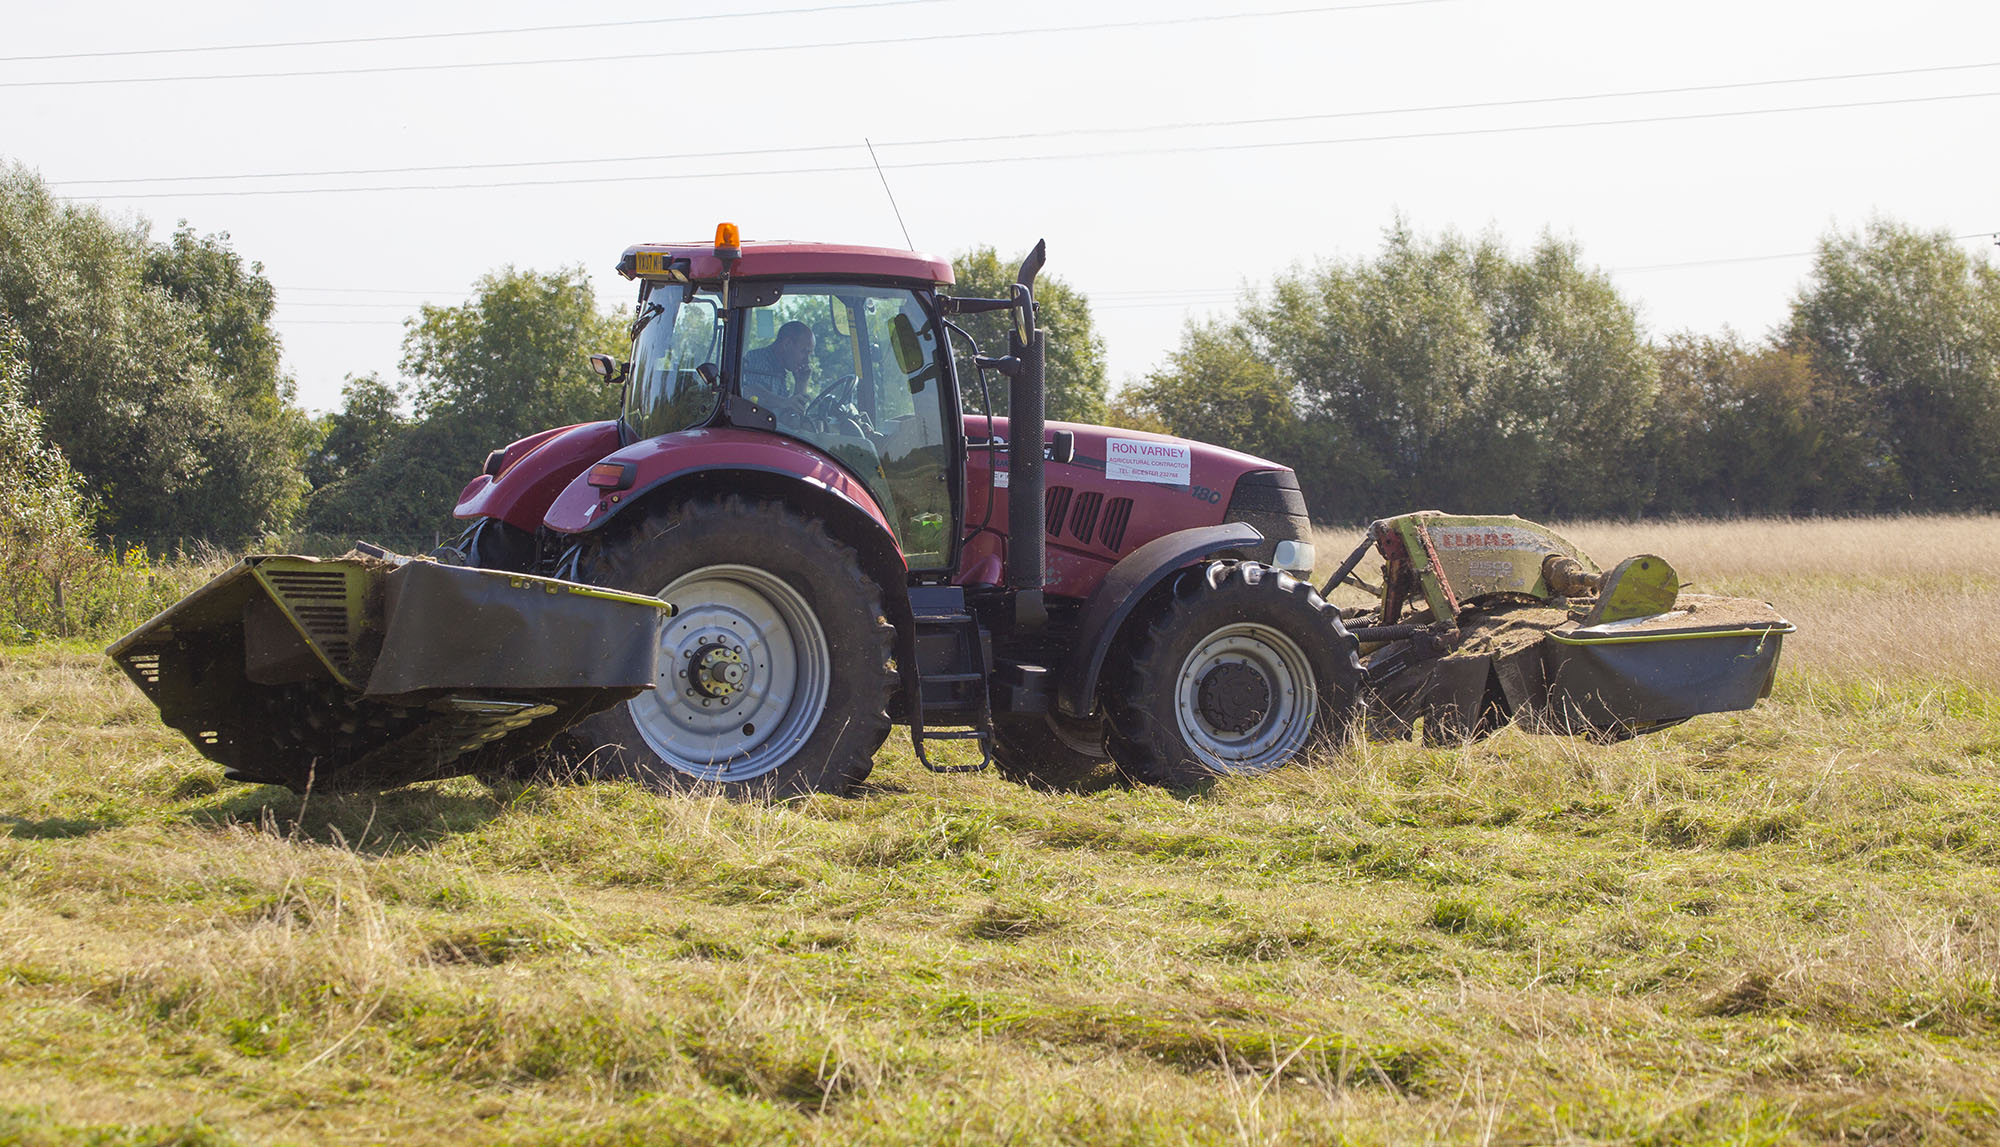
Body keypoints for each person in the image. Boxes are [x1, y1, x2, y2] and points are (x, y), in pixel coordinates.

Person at [739, 320, 813, 424]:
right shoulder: (757, 359)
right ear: (787, 344)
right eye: (804, 352)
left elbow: (790, 419)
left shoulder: (780, 371)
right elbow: (747, 392)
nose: (807, 360)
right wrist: (783, 402)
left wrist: (801, 383)